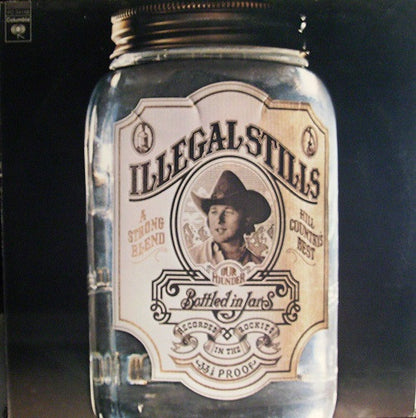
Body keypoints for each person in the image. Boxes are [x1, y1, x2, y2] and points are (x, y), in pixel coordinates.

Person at [189, 170, 271, 266]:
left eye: (228, 212)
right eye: (214, 212)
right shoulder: (192, 259)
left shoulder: (260, 265)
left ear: (246, 219)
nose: (219, 220)